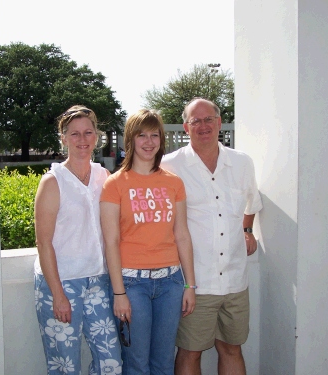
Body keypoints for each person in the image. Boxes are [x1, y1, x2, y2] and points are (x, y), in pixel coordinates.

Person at [161, 98, 263, 375]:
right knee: (190, 351)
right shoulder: (170, 165)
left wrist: (246, 230)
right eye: (196, 121)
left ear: (219, 123)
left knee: (232, 348)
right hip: (195, 283)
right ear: (186, 127)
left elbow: (251, 204)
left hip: (234, 280)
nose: (203, 126)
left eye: (209, 119)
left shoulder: (242, 162)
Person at [100, 109, 196, 375]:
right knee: (137, 362)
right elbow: (111, 241)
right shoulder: (115, 184)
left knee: (164, 362)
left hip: (171, 284)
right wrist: (119, 293)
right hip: (132, 284)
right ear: (129, 140)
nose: (149, 141)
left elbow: (182, 235)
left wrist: (190, 284)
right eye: (141, 135)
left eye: (154, 135)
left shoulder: (174, 183)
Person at [34, 105, 122, 375]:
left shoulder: (104, 177)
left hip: (98, 280)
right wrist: (57, 295)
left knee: (111, 362)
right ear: (63, 138)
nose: (82, 140)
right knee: (65, 367)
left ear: (97, 137)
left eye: (88, 133)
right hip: (62, 283)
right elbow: (44, 243)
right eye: (74, 134)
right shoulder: (52, 182)